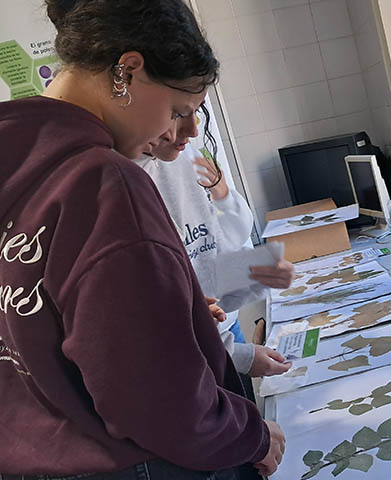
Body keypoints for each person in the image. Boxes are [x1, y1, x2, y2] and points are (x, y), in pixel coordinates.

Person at [0, 1, 284, 478]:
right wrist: (247, 432)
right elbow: (155, 397)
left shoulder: (20, 159)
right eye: (178, 110)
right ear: (126, 72)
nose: (186, 133)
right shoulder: (104, 181)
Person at [138, 107, 293, 378]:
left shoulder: (184, 158)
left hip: (222, 332)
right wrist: (236, 355)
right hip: (188, 358)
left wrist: (253, 272)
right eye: (176, 112)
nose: (193, 130)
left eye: (195, 112)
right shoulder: (124, 181)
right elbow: (160, 307)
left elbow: (207, 258)